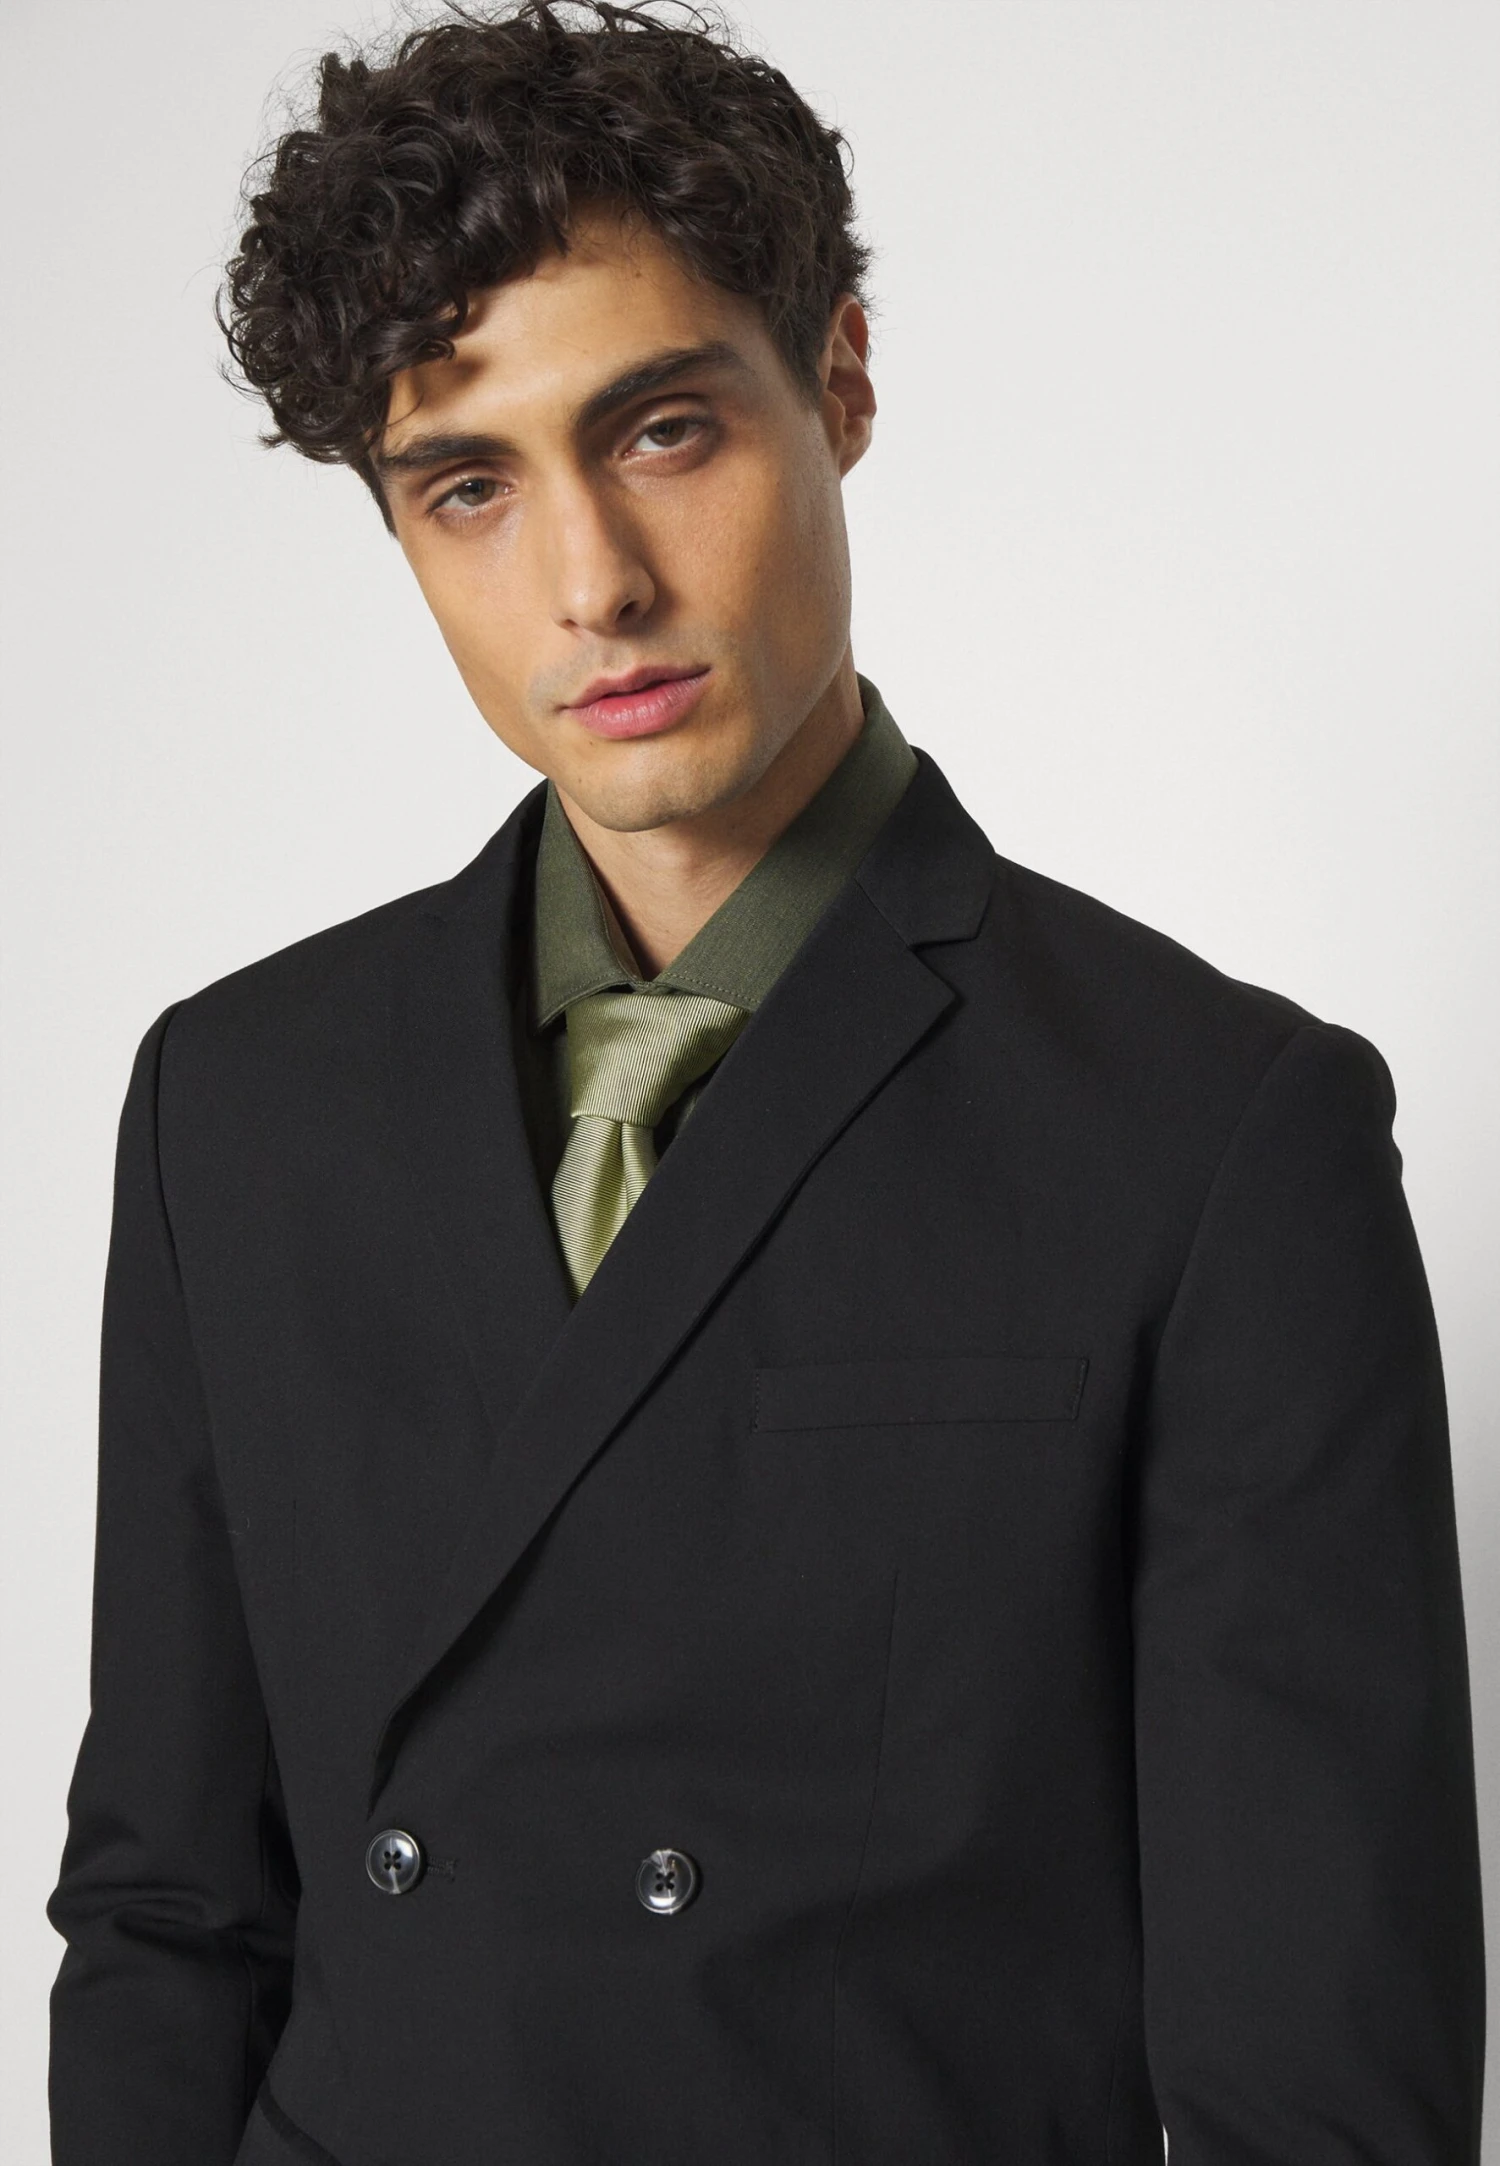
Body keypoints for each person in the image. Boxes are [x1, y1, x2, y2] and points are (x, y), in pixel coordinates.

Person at [45, 4, 1485, 2161]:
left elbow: (1318, 2097)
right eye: (469, 487)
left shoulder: (1216, 1136)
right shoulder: (231, 1106)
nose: (592, 586)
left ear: (842, 382)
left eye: (661, 432)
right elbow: (170, 1914)